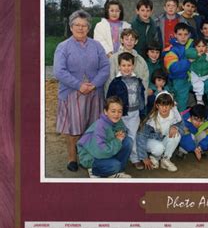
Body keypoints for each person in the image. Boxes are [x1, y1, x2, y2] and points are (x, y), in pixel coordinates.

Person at [54, 10, 110, 172]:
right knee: (73, 128)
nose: (80, 28)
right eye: (77, 25)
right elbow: (59, 71)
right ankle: (72, 158)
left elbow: (105, 67)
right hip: (72, 93)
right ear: (71, 27)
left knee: (92, 127)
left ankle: (88, 156)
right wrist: (79, 85)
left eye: (84, 25)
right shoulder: (63, 47)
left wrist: (94, 84)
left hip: (94, 93)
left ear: (89, 28)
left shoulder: (97, 45)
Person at [106, 52, 146, 170]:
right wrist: (110, 113)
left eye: (129, 65)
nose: (126, 68)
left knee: (133, 136)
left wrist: (142, 111)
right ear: (119, 66)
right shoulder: (115, 82)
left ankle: (134, 158)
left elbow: (141, 96)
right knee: (120, 135)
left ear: (133, 66)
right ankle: (117, 157)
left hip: (134, 114)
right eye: (123, 65)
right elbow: (110, 98)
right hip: (120, 115)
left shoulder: (137, 81)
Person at [77, 96, 133, 178]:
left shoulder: (117, 120)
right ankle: (94, 170)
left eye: (119, 111)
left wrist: (121, 133)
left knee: (128, 141)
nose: (116, 114)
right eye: (113, 111)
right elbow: (100, 152)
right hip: (92, 156)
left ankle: (117, 172)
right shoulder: (100, 125)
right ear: (105, 111)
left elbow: (122, 129)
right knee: (115, 165)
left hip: (106, 149)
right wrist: (117, 140)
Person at [136, 92, 184, 172]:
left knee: (176, 134)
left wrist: (175, 127)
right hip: (151, 142)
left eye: (167, 105)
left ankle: (165, 160)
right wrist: (144, 157)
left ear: (171, 105)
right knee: (159, 148)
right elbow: (141, 136)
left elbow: (182, 126)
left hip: (163, 140)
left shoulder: (175, 115)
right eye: (161, 105)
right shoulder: (151, 119)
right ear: (157, 106)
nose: (164, 108)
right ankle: (155, 157)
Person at [105, 28, 149, 95]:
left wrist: (143, 101)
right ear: (122, 40)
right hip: (117, 100)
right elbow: (109, 81)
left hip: (135, 100)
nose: (129, 42)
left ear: (136, 41)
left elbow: (144, 83)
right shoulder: (113, 59)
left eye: (132, 39)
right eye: (126, 39)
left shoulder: (141, 61)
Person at [163, 23, 194, 113]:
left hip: (195, 77)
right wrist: (188, 62)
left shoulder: (194, 45)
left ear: (189, 35)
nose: (183, 37)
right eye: (180, 34)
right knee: (181, 104)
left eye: (185, 34)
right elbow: (173, 68)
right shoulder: (171, 50)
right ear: (175, 35)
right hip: (179, 80)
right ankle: (181, 120)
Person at [185, 38, 208, 114]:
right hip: (195, 74)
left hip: (205, 74)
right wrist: (197, 54)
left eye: (203, 46)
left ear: (206, 47)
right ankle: (199, 100)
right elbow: (187, 52)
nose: (201, 48)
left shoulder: (207, 55)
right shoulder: (193, 53)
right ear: (195, 47)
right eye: (198, 46)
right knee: (198, 84)